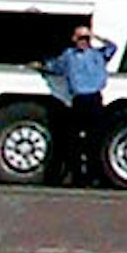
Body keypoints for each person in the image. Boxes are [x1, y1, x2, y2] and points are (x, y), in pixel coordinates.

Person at [46, 22, 118, 187]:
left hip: (95, 99)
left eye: (86, 38)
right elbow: (55, 67)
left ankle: (94, 176)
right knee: (75, 140)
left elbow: (113, 47)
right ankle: (77, 176)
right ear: (74, 39)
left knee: (95, 139)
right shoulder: (68, 55)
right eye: (80, 38)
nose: (83, 42)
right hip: (79, 100)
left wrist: (95, 36)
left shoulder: (97, 55)